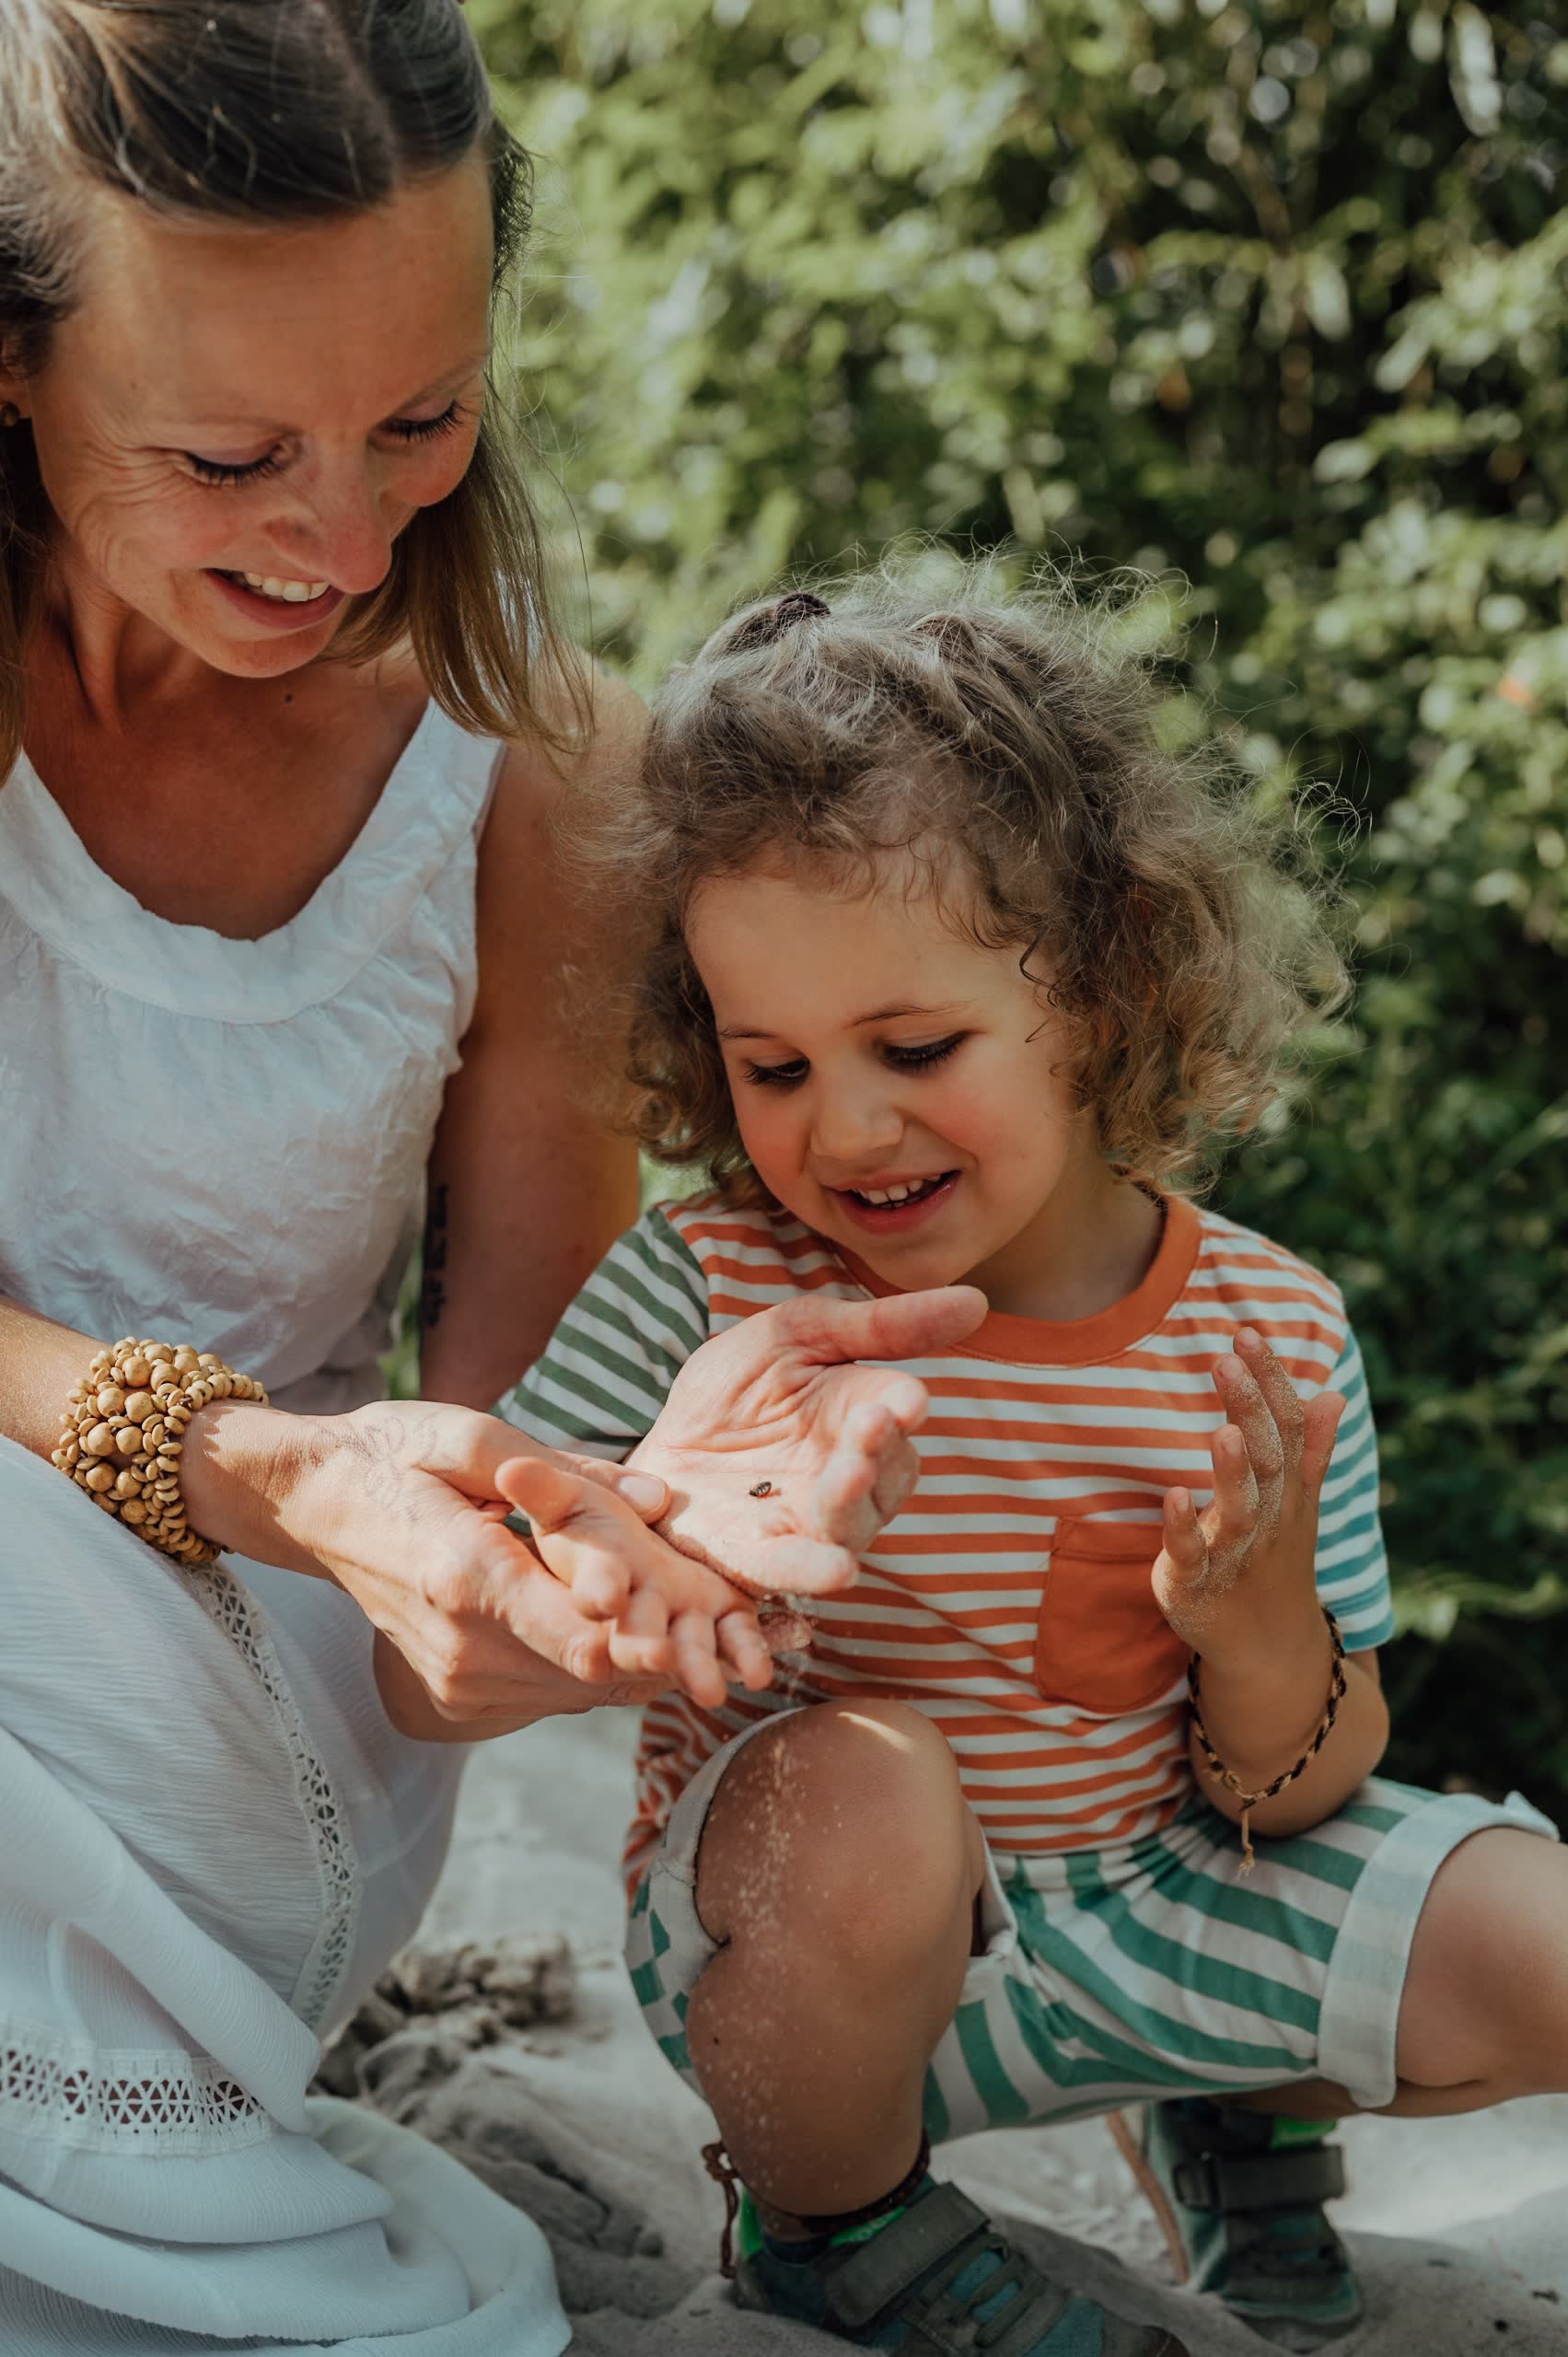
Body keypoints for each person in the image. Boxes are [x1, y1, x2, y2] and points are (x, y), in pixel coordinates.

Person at [0, 6, 985, 2348]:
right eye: (236, 449)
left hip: (234, 1709)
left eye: (421, 421)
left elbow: (482, 1544)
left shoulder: (539, 771)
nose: (346, 535)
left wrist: (597, 1568)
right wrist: (248, 1463)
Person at [505, 569, 1564, 2357]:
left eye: (915, 1046)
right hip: (823, 1970)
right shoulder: (710, 1286)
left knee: (1535, 1924)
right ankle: (838, 2229)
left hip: (1158, 1908)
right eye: (769, 1064)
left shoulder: (1269, 1334)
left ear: (1096, 984)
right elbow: (492, 1574)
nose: (842, 1126)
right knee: (877, 1782)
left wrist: (1255, 1619)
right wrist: (655, 1537)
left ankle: (1233, 2114)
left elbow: (1295, 1789)